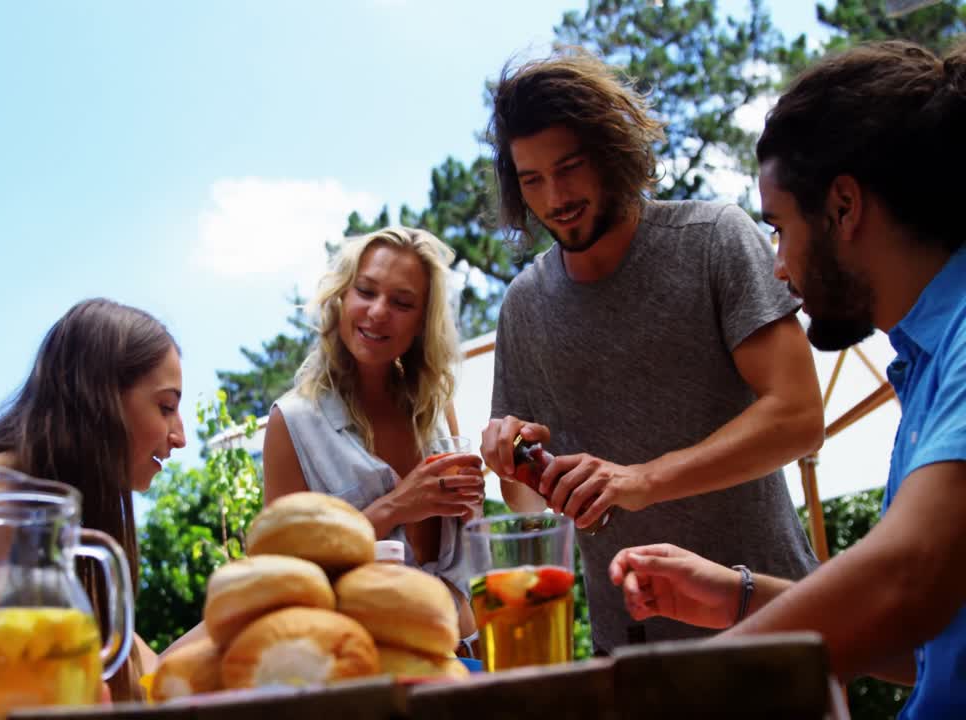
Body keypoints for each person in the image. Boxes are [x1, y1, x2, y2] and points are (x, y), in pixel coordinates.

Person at [610, 40, 966, 718]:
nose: (777, 266)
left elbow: (908, 583)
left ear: (844, 207)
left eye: (778, 228)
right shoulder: (928, 361)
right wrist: (739, 597)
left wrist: (661, 691)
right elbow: (923, 641)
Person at [477, 47, 824, 653]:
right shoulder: (524, 305)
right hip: (629, 653)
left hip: (771, 625)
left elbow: (799, 417)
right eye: (532, 180)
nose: (555, 197)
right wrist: (514, 460)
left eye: (570, 167)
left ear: (612, 151)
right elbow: (527, 501)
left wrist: (643, 479)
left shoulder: (714, 239)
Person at [0, 299, 185, 704]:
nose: (180, 436)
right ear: (100, 397)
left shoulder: (61, 545)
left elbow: (158, 679)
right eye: (165, 407)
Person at [262, 226, 484, 642]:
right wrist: (396, 507)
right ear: (342, 296)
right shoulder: (292, 422)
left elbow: (471, 556)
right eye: (365, 291)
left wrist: (473, 511)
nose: (379, 311)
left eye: (402, 302)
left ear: (422, 322)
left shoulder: (435, 407)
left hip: (470, 653)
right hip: (374, 663)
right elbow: (282, 577)